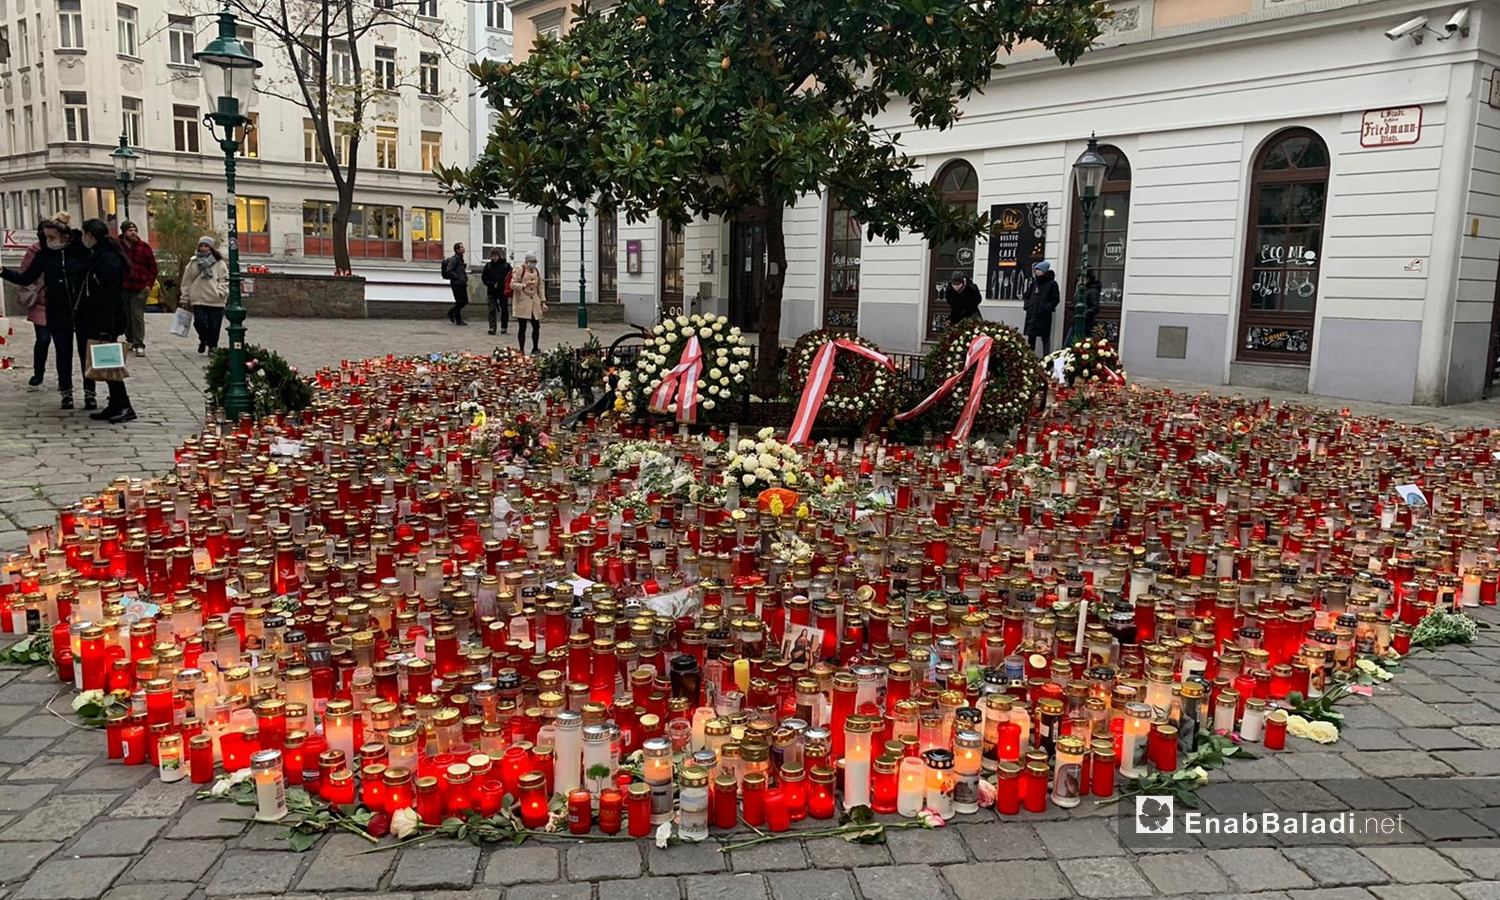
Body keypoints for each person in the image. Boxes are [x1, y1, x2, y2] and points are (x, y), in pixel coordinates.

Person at [0, 213, 94, 409]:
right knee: (62, 353)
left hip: (82, 311)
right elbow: (26, 278)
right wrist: (3, 272)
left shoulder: (80, 252)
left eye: (52, 237)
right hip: (56, 311)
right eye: (46, 237)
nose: (48, 241)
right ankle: (66, 393)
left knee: (85, 353)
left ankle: (89, 393)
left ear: (65, 237)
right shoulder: (44, 256)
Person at [75, 218, 135, 423]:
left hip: (106, 320)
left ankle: (125, 405)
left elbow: (108, 295)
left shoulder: (108, 259)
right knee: (104, 363)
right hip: (95, 318)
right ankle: (115, 404)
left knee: (110, 362)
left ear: (90, 235)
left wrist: (105, 326)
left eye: (84, 234)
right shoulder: (98, 256)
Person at [181, 236, 229, 353]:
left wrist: (220, 292)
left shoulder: (219, 263)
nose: (203, 248)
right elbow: (186, 281)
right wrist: (185, 297)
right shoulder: (193, 262)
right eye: (201, 246)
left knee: (214, 325)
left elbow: (225, 279)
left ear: (211, 248)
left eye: (206, 246)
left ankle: (212, 346)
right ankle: (204, 339)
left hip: (215, 299)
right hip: (198, 298)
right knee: (199, 323)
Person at [118, 221, 158, 357]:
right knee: (126, 315)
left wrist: (148, 285)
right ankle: (129, 339)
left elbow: (152, 268)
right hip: (123, 287)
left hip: (140, 287)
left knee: (137, 315)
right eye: (130, 230)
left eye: (135, 230)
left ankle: (139, 343)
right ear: (124, 232)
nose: (133, 233)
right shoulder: (117, 247)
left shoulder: (144, 247)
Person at [19, 235, 48, 391]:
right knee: (43, 339)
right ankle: (39, 373)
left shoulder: (64, 250)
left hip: (60, 304)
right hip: (40, 302)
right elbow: (25, 274)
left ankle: (65, 378)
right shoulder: (34, 251)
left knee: (62, 344)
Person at [512, 252, 547, 354]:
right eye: (531, 262)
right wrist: (524, 285)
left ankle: (535, 348)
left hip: (534, 301)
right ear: (526, 261)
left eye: (535, 262)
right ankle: (521, 349)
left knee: (536, 325)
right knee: (522, 327)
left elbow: (540, 286)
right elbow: (512, 284)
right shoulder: (520, 270)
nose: (533, 264)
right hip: (522, 301)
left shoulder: (537, 271)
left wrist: (543, 301)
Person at [1023, 260, 1060, 356]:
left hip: (1044, 315)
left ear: (1044, 271)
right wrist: (1028, 305)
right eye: (1036, 269)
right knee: (1031, 337)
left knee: (1045, 337)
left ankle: (1046, 358)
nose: (1036, 271)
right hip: (1032, 313)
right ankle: (1030, 357)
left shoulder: (1052, 284)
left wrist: (1046, 308)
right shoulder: (1034, 283)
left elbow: (1055, 299)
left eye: (1038, 269)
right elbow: (1026, 295)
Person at [481, 248, 513, 336]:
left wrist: (502, 284)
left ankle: (504, 326)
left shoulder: (505, 266)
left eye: (496, 256)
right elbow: (484, 278)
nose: (494, 258)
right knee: (491, 309)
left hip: (503, 291)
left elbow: (510, 277)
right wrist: (492, 284)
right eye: (492, 256)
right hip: (491, 291)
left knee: (504, 309)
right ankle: (492, 327)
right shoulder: (488, 266)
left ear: (499, 256)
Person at [442, 242, 470, 326]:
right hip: (456, 283)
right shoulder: (454, 259)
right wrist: (457, 276)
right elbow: (449, 270)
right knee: (460, 301)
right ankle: (458, 318)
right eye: (461, 247)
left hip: (462, 283)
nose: (463, 248)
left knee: (464, 301)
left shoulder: (460, 259)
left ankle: (451, 312)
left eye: (463, 247)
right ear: (457, 250)